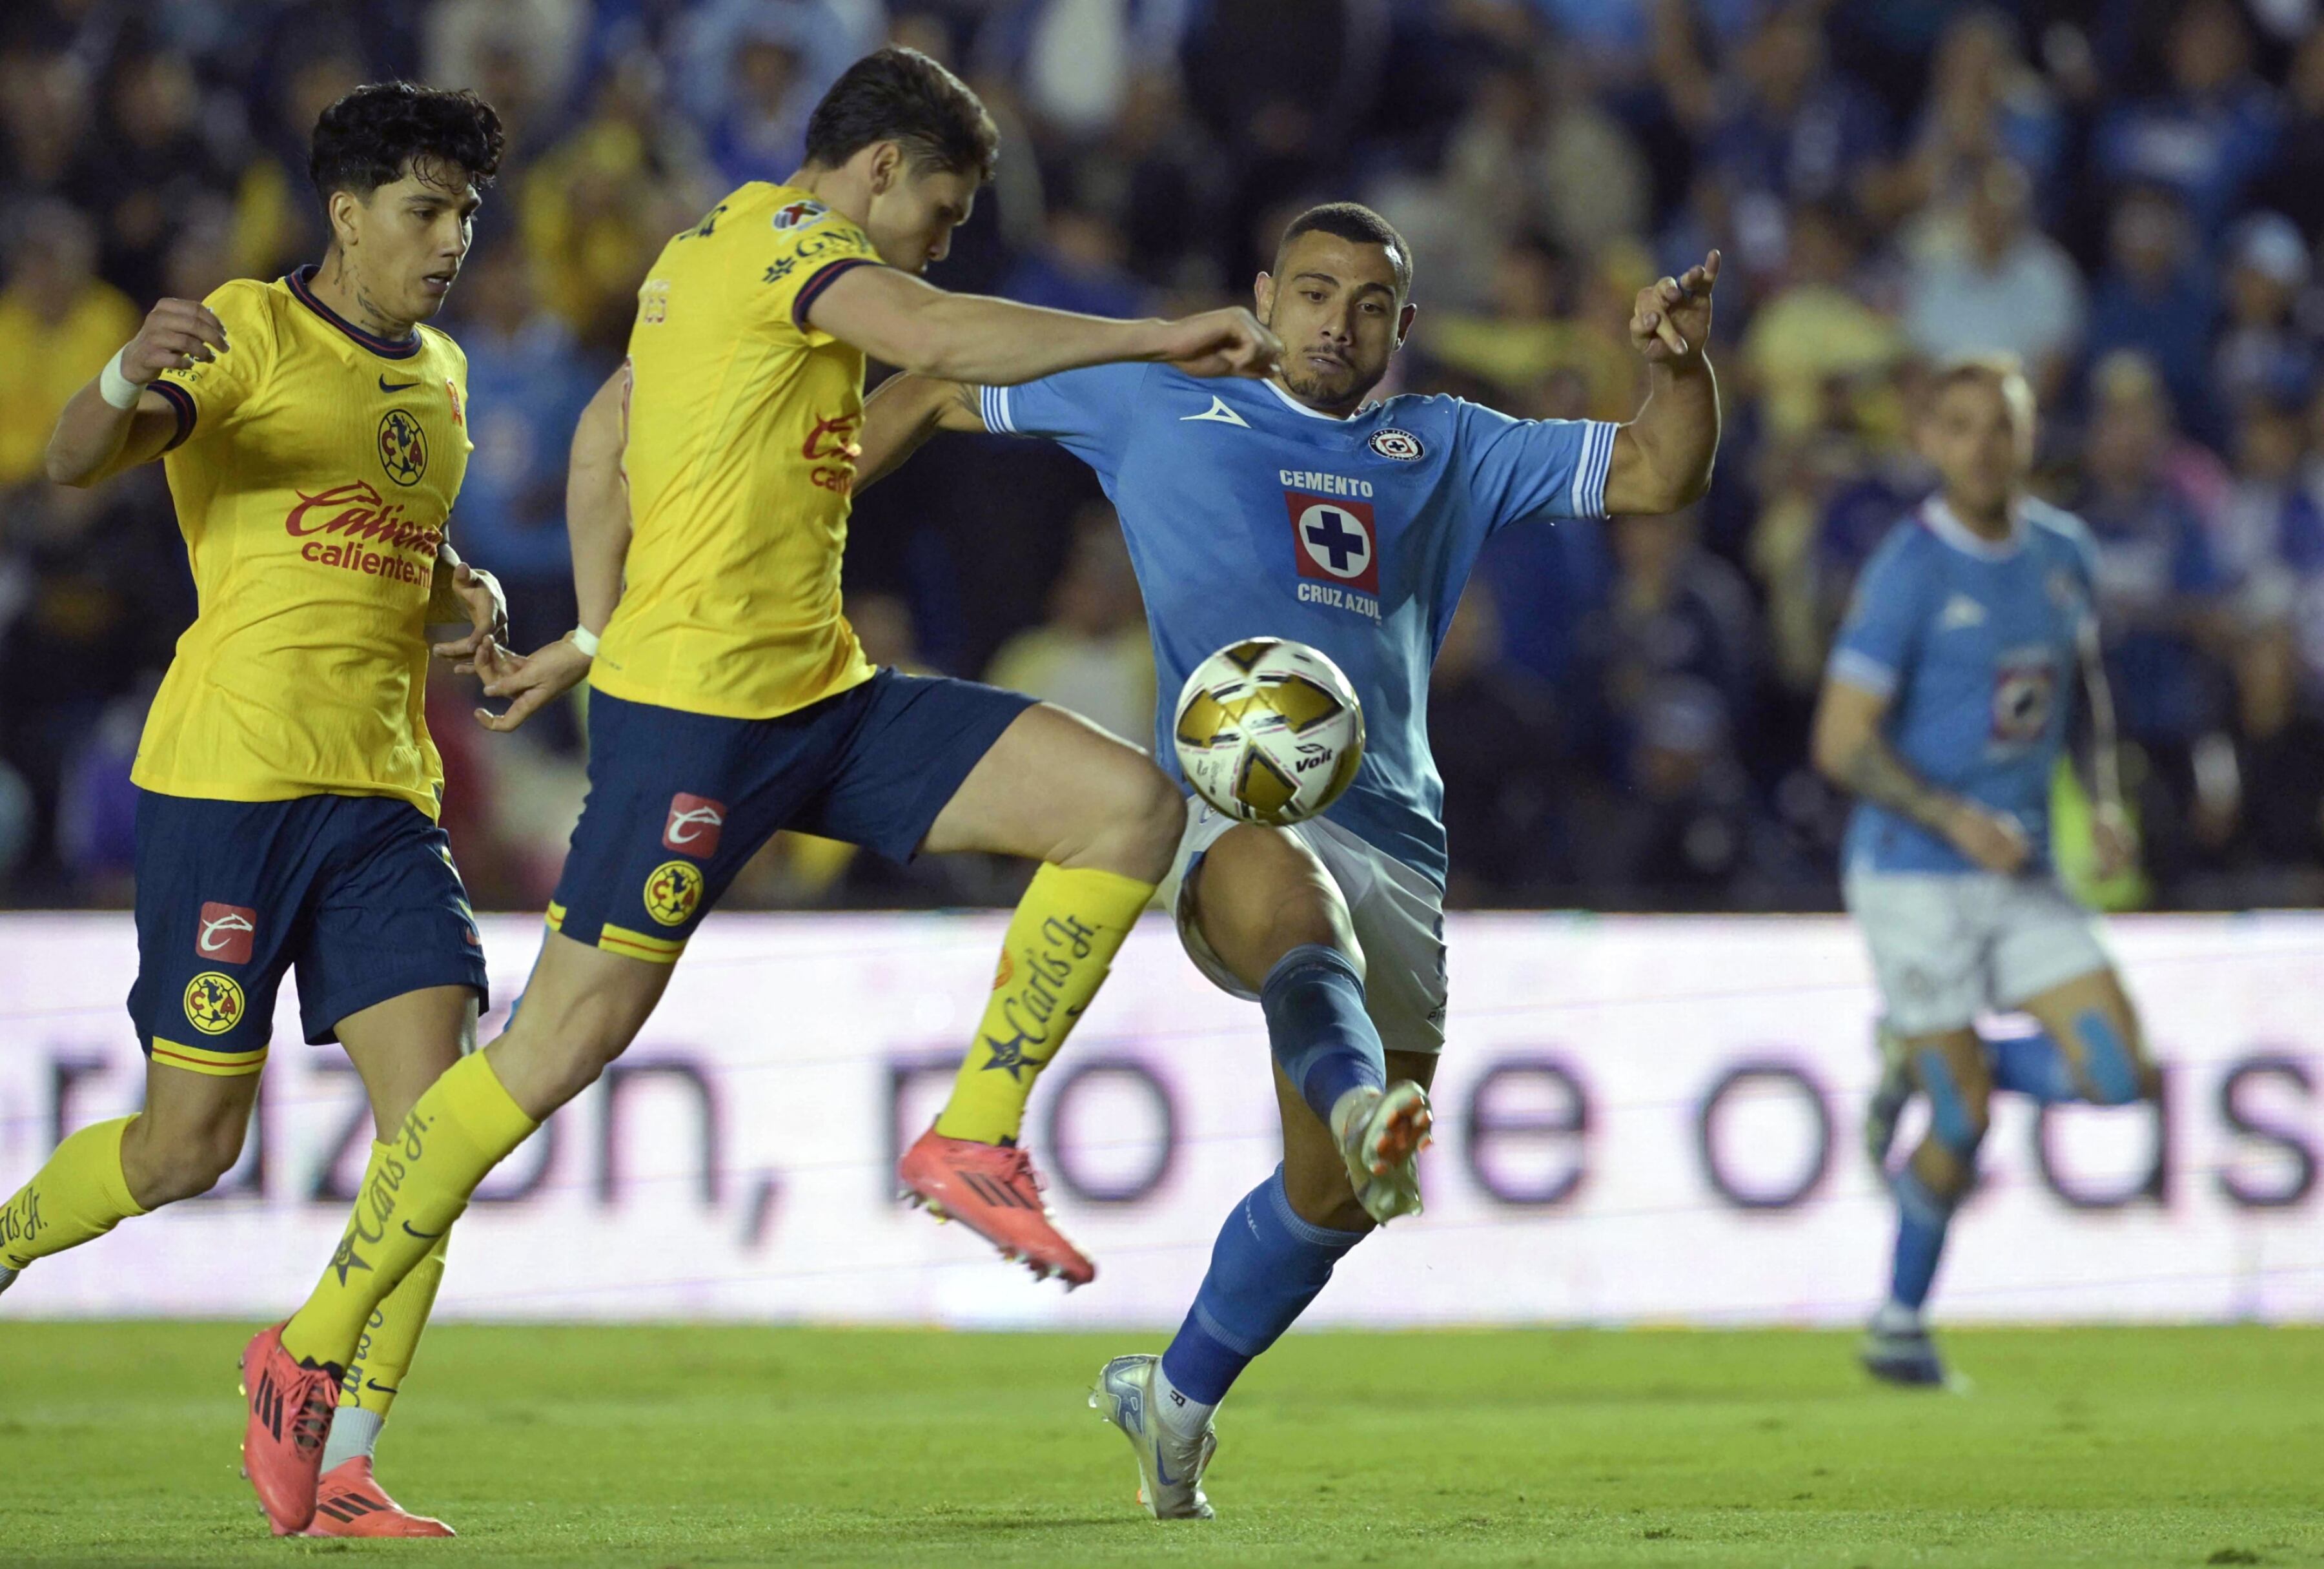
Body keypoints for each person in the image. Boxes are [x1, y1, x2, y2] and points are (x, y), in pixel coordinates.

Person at [237, 46, 1281, 1532]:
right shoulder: (799, 250)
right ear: (874, 171)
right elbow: (928, 329)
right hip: (698, 738)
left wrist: (592, 632)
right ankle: (309, 1345)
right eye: (942, 203)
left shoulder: (697, 262)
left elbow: (608, 438)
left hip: (821, 698)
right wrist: (1159, 334)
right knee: (550, 1053)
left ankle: (973, 1126)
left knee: (1129, 807)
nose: (944, 232)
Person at [854, 202, 1720, 1517]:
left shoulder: (1446, 444)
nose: (1337, 321)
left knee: (1334, 1199)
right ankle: (1362, 1099)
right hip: (1232, 814)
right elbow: (937, 390)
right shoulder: (1156, 396)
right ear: (1263, 292)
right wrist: (779, 503)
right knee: (1284, 898)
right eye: (1313, 292)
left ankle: (1178, 1399)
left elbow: (1660, 473)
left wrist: (1677, 366)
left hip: (1399, 838)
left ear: (1403, 328)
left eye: (1369, 304)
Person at [6, 83, 512, 1539]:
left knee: (447, 1129)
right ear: (344, 215)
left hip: (381, 795)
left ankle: (343, 1457)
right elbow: (69, 465)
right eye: (424, 211)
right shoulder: (245, 327)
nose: (451, 240)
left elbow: (389, 553)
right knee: (185, 1152)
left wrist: (460, 601)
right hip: (230, 781)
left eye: (466, 213)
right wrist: (115, 380)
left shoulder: (448, 375)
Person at [1811, 356, 2160, 1389]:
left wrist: (2101, 797)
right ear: (1929, 440)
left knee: (2115, 1074)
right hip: (1913, 869)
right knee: (1960, 1121)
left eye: (1999, 426)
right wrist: (1952, 814)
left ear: (2028, 434)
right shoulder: (1909, 569)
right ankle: (1899, 1325)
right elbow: (1840, 740)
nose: (1981, 445)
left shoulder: (2063, 553)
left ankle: (1920, 1055)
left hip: (2024, 872)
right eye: (1958, 426)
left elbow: (2082, 682)